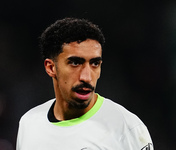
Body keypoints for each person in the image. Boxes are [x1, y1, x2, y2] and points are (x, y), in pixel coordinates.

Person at [16, 18, 154, 150]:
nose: (87, 77)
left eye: (95, 63)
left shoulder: (127, 127)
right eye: (75, 63)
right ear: (51, 68)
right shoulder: (29, 124)